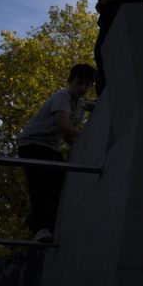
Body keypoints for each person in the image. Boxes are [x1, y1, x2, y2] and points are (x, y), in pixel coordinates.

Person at [16, 63, 96, 242]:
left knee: (61, 185)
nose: (82, 88)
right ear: (70, 81)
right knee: (41, 184)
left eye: (87, 84)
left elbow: (67, 136)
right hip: (33, 144)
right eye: (79, 82)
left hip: (51, 147)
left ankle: (36, 220)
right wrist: (87, 139)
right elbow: (63, 125)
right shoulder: (63, 96)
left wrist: (82, 147)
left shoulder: (80, 105)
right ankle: (41, 228)